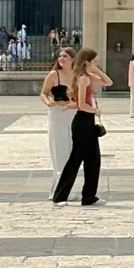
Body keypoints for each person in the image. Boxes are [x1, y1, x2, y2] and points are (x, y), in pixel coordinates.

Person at [52, 46, 104, 206]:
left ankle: (89, 196)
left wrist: (96, 70)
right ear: (87, 61)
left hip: (87, 122)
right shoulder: (83, 79)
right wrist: (95, 110)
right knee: (75, 159)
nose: (96, 63)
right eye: (94, 61)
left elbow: (109, 82)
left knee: (93, 160)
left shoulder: (87, 76)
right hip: (82, 122)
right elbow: (81, 104)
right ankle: (59, 196)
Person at [40, 46, 76, 192]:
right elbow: (44, 93)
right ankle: (60, 190)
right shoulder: (54, 75)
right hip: (57, 113)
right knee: (59, 151)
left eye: (65, 56)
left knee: (72, 151)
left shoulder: (77, 75)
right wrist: (49, 102)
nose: (61, 59)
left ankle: (70, 187)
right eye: (60, 56)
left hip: (73, 113)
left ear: (73, 59)